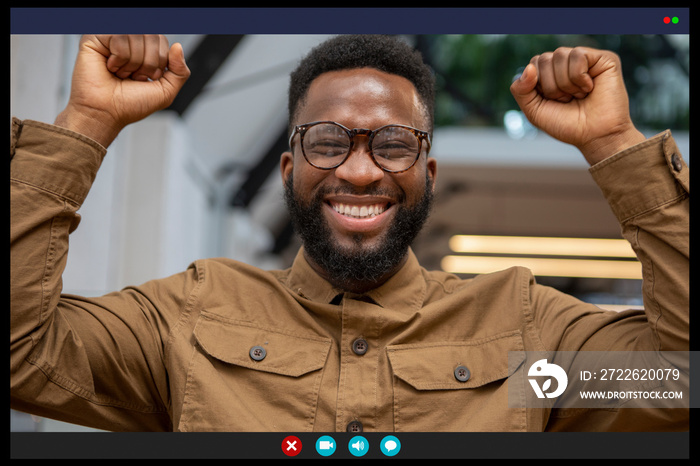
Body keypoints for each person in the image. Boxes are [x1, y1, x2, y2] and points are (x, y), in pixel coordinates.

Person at [10, 34, 688, 432]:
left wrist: (614, 145)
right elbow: (21, 353)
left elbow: (678, 379)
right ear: (287, 167)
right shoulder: (188, 320)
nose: (361, 172)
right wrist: (87, 123)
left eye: (392, 144)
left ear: (426, 169)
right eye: (329, 141)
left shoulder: (525, 341)